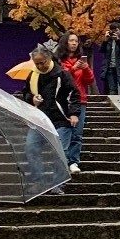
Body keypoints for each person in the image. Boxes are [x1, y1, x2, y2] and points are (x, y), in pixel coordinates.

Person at [22, 45, 81, 183]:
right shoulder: (32, 75)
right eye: (37, 63)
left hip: (61, 118)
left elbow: (74, 93)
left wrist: (74, 113)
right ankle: (39, 181)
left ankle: (58, 183)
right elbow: (25, 93)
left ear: (49, 58)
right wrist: (32, 98)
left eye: (43, 62)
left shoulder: (62, 74)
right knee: (31, 148)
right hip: (40, 118)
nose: (40, 66)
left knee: (59, 152)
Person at [58, 32, 94, 173]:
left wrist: (86, 69)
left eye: (76, 41)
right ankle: (63, 160)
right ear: (65, 42)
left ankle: (74, 161)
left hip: (80, 98)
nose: (74, 43)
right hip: (63, 99)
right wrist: (73, 69)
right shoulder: (59, 60)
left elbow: (89, 81)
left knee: (77, 132)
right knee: (63, 132)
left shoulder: (81, 60)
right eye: (71, 40)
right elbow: (61, 77)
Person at [101, 20, 120, 96]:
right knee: (112, 90)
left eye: (116, 30)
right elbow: (101, 50)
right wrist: (105, 40)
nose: (114, 32)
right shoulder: (108, 41)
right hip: (110, 67)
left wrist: (118, 40)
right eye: (113, 31)